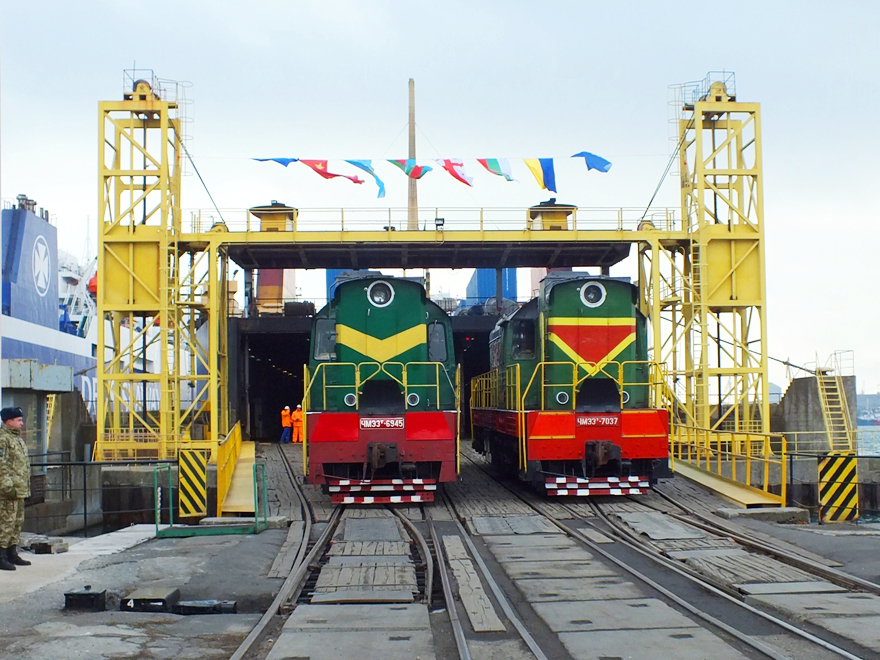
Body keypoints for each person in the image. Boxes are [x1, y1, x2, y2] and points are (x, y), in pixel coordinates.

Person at [0, 407, 31, 571]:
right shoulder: (3, 439)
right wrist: (7, 486)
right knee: (6, 523)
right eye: (18, 420)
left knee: (17, 523)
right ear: (9, 421)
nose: (22, 423)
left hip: (19, 489)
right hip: (8, 490)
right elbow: (2, 465)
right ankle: (1, 556)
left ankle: (12, 553)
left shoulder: (17, 439)